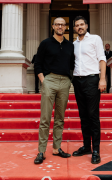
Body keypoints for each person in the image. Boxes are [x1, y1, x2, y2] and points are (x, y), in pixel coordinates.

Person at [34, 17, 74, 164]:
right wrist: (43, 81)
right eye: (57, 24)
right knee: (45, 118)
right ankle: (41, 151)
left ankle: (57, 148)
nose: (60, 27)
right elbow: (38, 64)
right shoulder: (45, 43)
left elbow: (73, 65)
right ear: (53, 26)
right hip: (49, 80)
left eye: (62, 25)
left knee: (60, 118)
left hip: (65, 82)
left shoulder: (70, 45)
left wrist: (70, 81)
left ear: (65, 27)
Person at [72, 16, 106, 164]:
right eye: (77, 25)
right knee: (83, 115)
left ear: (86, 25)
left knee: (93, 115)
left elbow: (102, 58)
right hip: (77, 81)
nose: (80, 27)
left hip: (92, 80)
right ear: (74, 28)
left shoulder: (95, 39)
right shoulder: (73, 44)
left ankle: (96, 150)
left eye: (82, 24)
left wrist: (102, 79)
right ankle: (87, 146)